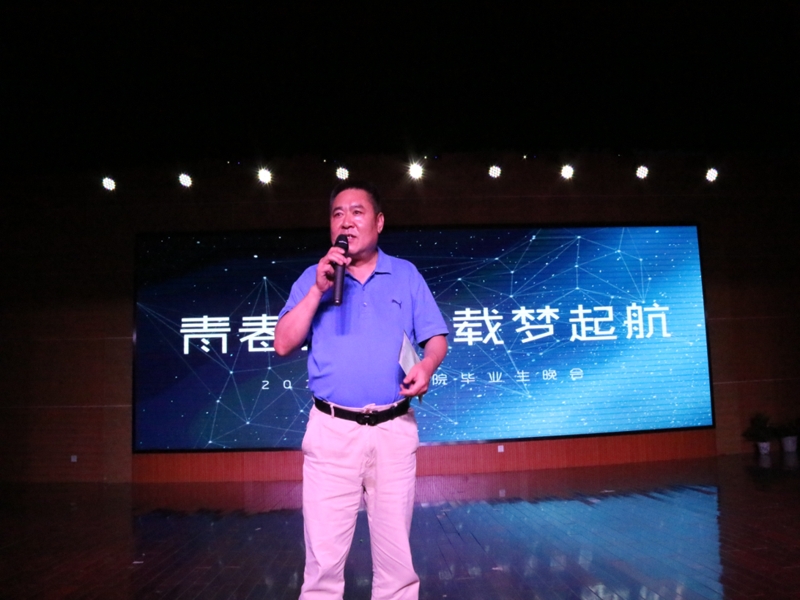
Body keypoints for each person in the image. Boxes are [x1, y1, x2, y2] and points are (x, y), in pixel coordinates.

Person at [274, 181, 448, 600]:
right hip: (332, 431)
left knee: (396, 565)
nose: (346, 222)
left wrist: (426, 366)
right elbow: (282, 343)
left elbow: (436, 338)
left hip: (393, 429)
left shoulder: (404, 274)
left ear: (379, 222)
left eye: (357, 212)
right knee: (323, 564)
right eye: (337, 214)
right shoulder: (314, 278)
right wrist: (317, 290)